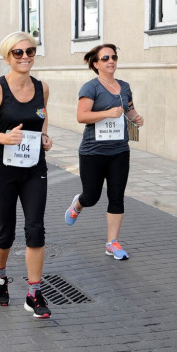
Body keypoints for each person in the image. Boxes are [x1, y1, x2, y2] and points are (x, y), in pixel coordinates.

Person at [0, 31, 53, 319]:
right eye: (18, 53)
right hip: (4, 169)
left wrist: (45, 138)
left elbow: (43, 119)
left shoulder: (42, 87)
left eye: (30, 51)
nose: (25, 57)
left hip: (35, 168)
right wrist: (5, 138)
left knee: (35, 228)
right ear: (8, 57)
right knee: (5, 231)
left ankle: (34, 293)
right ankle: (0, 276)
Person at [64, 43, 144, 260]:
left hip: (119, 150)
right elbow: (82, 116)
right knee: (92, 196)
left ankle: (112, 243)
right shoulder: (91, 88)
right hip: (93, 151)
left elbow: (128, 109)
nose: (111, 61)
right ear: (96, 64)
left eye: (114, 57)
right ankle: (78, 203)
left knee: (116, 196)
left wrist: (135, 117)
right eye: (106, 58)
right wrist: (108, 113)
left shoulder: (124, 87)